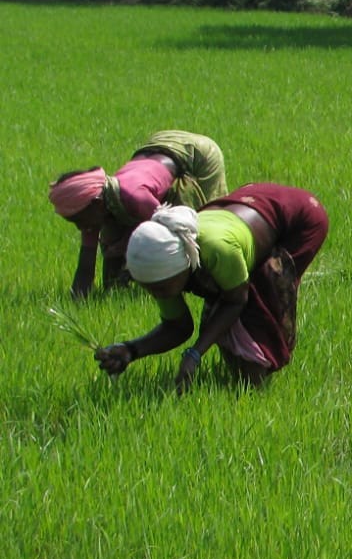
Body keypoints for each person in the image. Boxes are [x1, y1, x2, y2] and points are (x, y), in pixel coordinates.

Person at [92, 183, 329, 391]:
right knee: (221, 306)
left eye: (161, 288)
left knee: (262, 301)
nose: (157, 295)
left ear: (185, 267)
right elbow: (178, 327)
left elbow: (236, 300)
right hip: (246, 207)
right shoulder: (163, 269)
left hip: (299, 218)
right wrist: (130, 350)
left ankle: (256, 387)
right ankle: (241, 378)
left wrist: (195, 354)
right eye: (149, 289)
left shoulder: (215, 251)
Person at [48, 130, 228, 298]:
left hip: (197, 153)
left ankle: (215, 284)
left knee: (203, 222)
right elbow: (86, 267)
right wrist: (78, 299)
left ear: (97, 203)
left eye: (78, 220)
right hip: (158, 147)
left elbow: (172, 235)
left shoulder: (135, 198)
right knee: (112, 237)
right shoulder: (96, 207)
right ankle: (116, 292)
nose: (80, 227)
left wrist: (132, 266)